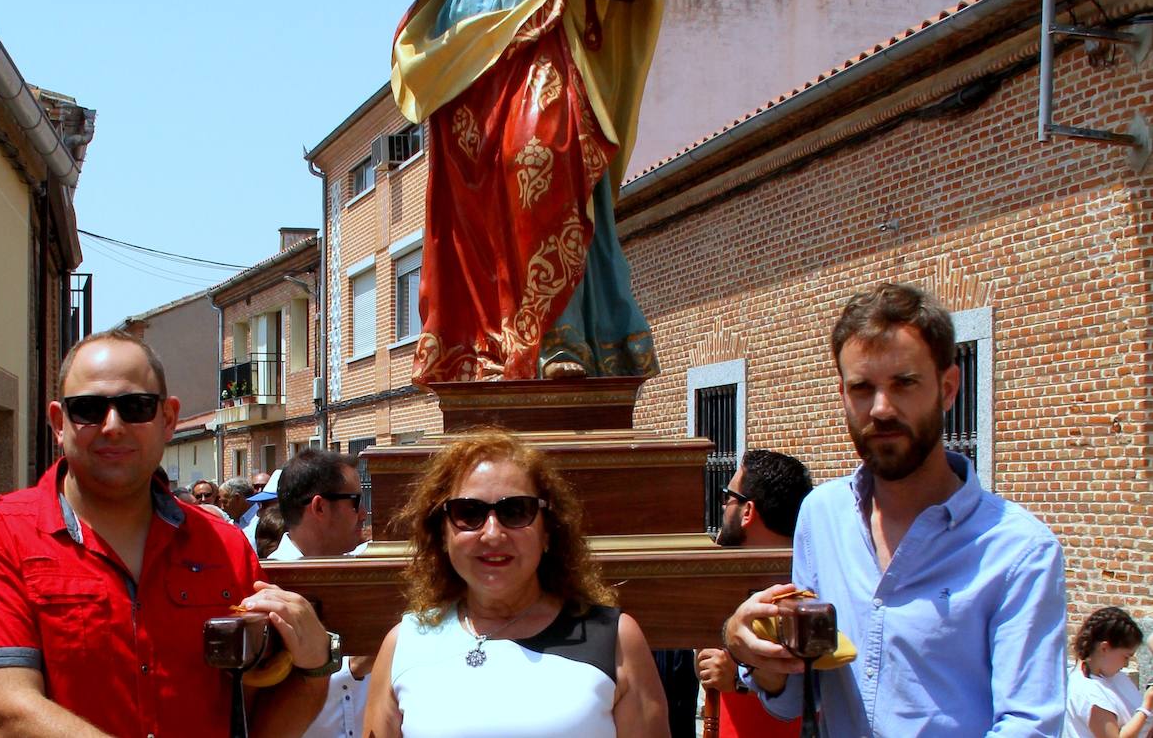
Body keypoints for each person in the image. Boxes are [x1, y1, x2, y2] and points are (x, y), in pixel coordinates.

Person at [380, 0, 664, 385]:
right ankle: (483, 343)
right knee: (479, 201)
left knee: (546, 163)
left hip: (541, 38)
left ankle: (560, 338)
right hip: (468, 59)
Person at [0, 329, 338, 736]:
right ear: (59, 423)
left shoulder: (225, 547)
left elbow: (255, 725)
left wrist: (315, 667)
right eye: (88, 409)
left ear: (167, 419)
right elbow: (8, 713)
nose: (112, 425)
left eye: (135, 406)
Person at [723, 283, 1068, 735]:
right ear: (843, 395)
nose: (881, 409)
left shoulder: (1019, 550)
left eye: (904, 383)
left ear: (947, 388)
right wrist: (749, 648)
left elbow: (1029, 726)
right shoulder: (822, 516)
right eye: (863, 387)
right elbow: (796, 695)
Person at [363, 428, 669, 737]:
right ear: (443, 534)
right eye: (469, 513)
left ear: (547, 531)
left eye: (516, 511)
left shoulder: (615, 639)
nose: (493, 533)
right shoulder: (403, 645)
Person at [694, 450, 812, 738]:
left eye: (728, 497)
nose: (723, 507)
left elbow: (813, 686)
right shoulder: (723, 579)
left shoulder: (807, 590)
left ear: (747, 512)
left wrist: (738, 680)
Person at [268, 449, 372, 738]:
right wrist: (351, 667)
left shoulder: (369, 578)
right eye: (355, 502)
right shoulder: (266, 589)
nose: (363, 514)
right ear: (320, 508)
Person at [1064, 606, 1152, 738]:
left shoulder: (1115, 677)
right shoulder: (1087, 692)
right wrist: (1147, 704)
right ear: (1104, 648)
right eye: (1126, 657)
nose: (1126, 664)